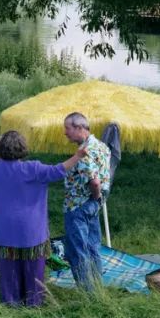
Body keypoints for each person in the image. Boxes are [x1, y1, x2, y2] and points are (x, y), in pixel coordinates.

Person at [0, 130, 82, 306]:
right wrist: (77, 156)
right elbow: (59, 170)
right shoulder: (33, 169)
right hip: (31, 230)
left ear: (0, 149)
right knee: (33, 270)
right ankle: (34, 302)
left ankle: (11, 300)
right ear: (22, 148)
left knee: (9, 270)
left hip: (5, 230)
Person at [62, 112, 112, 291]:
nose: (65, 133)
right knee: (93, 248)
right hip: (93, 205)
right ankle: (98, 288)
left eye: (67, 128)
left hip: (78, 206)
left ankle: (87, 293)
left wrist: (96, 194)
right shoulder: (102, 146)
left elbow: (94, 181)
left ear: (79, 128)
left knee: (78, 251)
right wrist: (98, 200)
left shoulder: (84, 151)